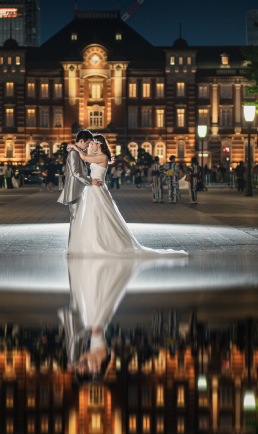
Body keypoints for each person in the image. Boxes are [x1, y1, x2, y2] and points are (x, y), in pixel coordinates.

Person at [59, 134, 187, 381]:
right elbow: (85, 360)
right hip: (94, 191)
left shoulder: (102, 156)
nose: (93, 144)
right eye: (92, 142)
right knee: (96, 223)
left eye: (96, 142)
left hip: (96, 191)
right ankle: (97, 245)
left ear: (101, 146)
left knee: (98, 223)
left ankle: (99, 245)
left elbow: (84, 157)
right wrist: (78, 366)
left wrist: (75, 146)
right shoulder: (100, 359)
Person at [57, 129, 104, 244]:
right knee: (75, 217)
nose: (88, 145)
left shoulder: (76, 151)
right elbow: (75, 173)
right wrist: (90, 181)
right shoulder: (73, 153)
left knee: (78, 217)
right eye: (87, 143)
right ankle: (72, 244)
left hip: (79, 189)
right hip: (74, 190)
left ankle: (75, 243)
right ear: (81, 140)